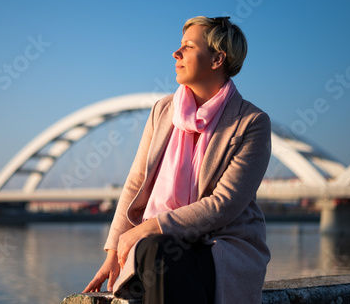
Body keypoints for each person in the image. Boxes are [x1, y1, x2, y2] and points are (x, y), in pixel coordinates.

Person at [83, 16, 271, 304]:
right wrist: (112, 254)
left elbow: (225, 204)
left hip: (219, 247)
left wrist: (149, 227)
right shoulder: (163, 110)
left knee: (154, 249)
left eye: (188, 46)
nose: (176, 53)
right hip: (162, 248)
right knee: (155, 251)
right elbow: (137, 182)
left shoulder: (250, 122)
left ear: (217, 59)